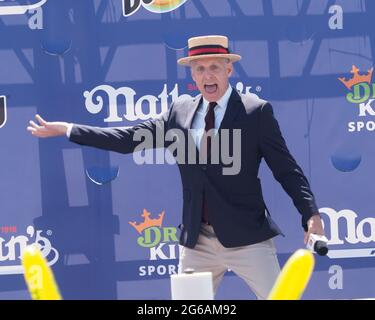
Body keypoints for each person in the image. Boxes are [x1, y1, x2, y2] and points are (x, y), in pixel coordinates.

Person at [27, 35, 324, 300]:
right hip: (198, 243)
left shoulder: (255, 111)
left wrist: (310, 215)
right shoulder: (178, 113)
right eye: (200, 69)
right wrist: (68, 129)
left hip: (248, 238)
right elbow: (127, 140)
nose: (208, 75)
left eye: (214, 67)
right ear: (192, 74)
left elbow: (287, 169)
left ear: (229, 70)